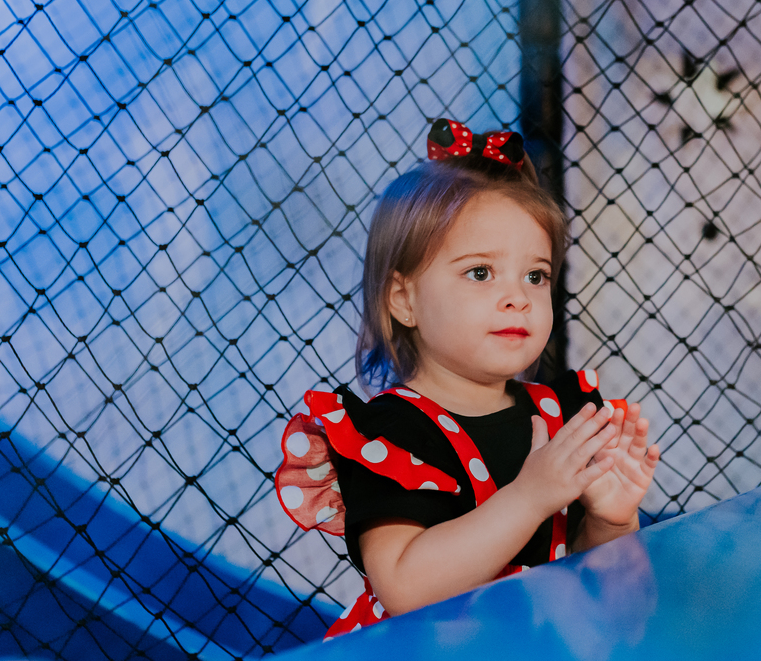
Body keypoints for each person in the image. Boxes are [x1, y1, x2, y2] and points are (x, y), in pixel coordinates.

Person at [275, 118, 660, 638]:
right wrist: (530, 496)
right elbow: (404, 587)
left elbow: (596, 591)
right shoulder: (390, 432)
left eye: (536, 275)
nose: (517, 297)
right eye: (480, 272)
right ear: (404, 300)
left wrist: (610, 522)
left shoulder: (556, 414)